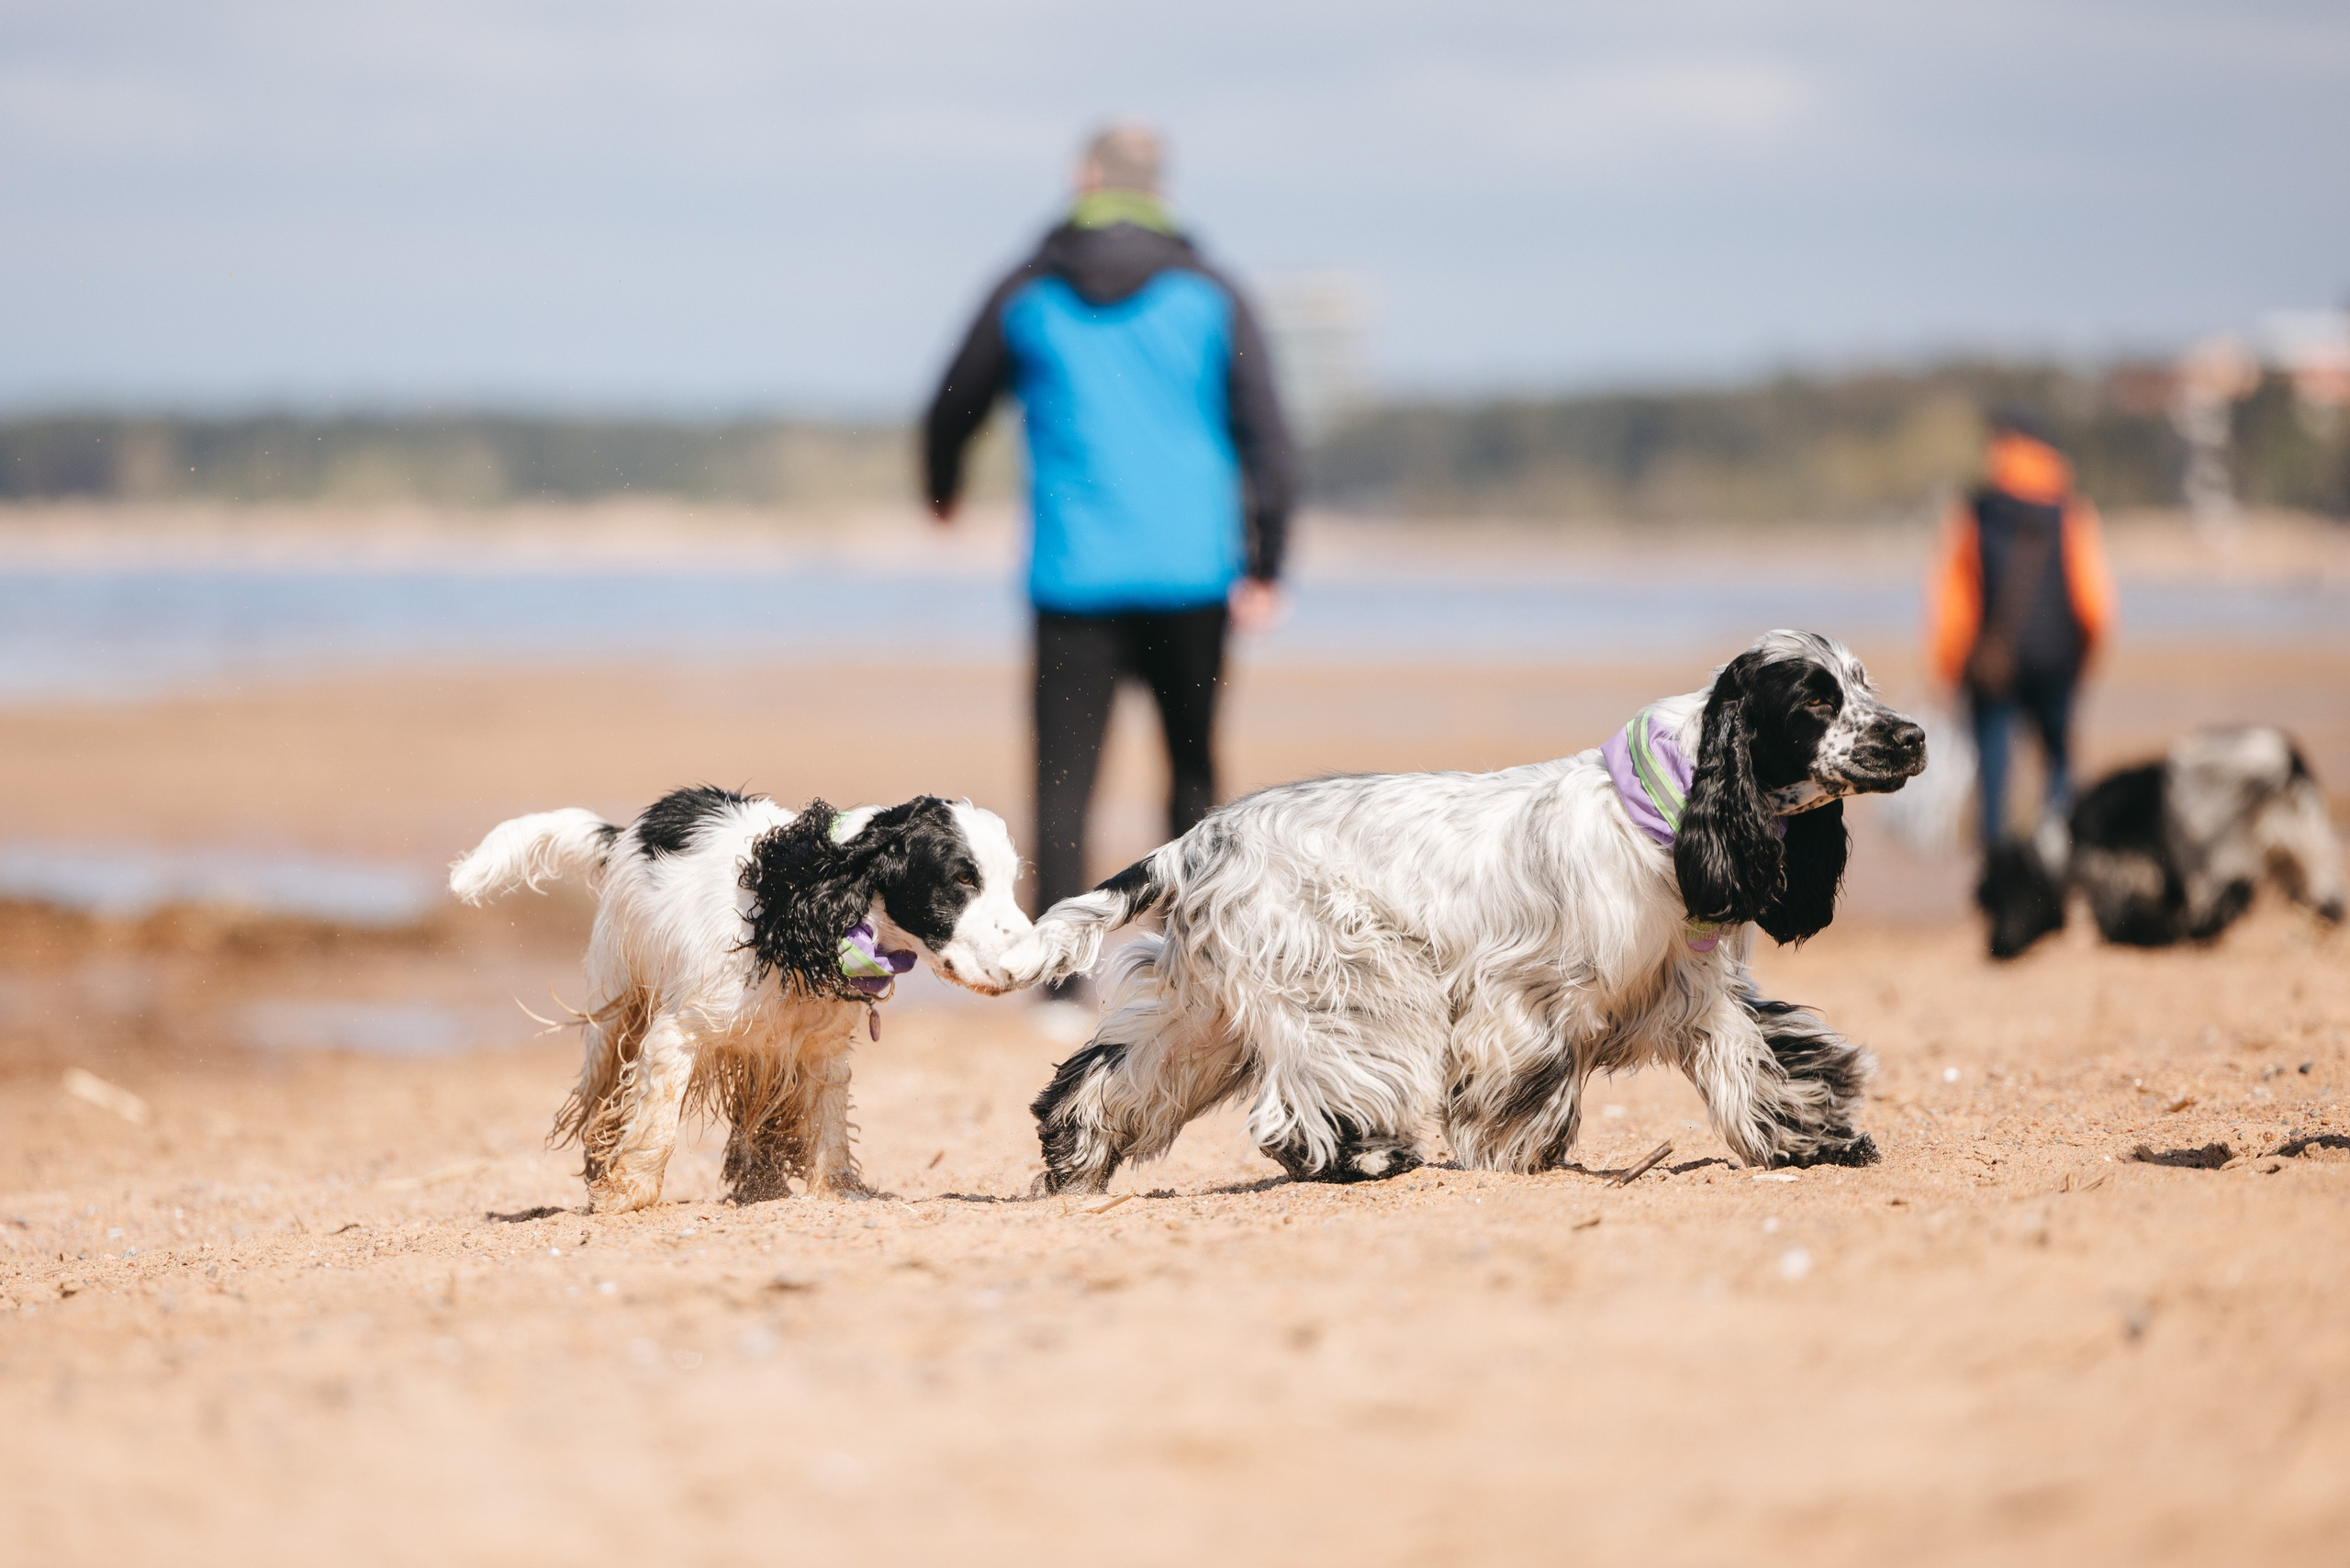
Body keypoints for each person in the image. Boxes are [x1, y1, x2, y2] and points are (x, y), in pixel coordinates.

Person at [922, 122, 1295, 1002]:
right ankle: (1198, 970)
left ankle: (1057, 989)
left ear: (1083, 179)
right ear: (1157, 187)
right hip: (1194, 576)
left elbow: (953, 399)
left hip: (1073, 577)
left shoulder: (1028, 291)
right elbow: (1267, 432)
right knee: (1194, 773)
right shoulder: (1212, 292)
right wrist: (1267, 559)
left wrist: (942, 485)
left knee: (1064, 782)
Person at [1927, 409, 2119, 847]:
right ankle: (2058, 855)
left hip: (1994, 666)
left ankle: (1996, 870)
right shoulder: (2072, 511)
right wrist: (2083, 662)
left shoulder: (1974, 510)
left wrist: (1949, 667)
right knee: (2058, 764)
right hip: (2058, 662)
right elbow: (2094, 602)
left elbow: (1954, 601)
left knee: (1993, 771)